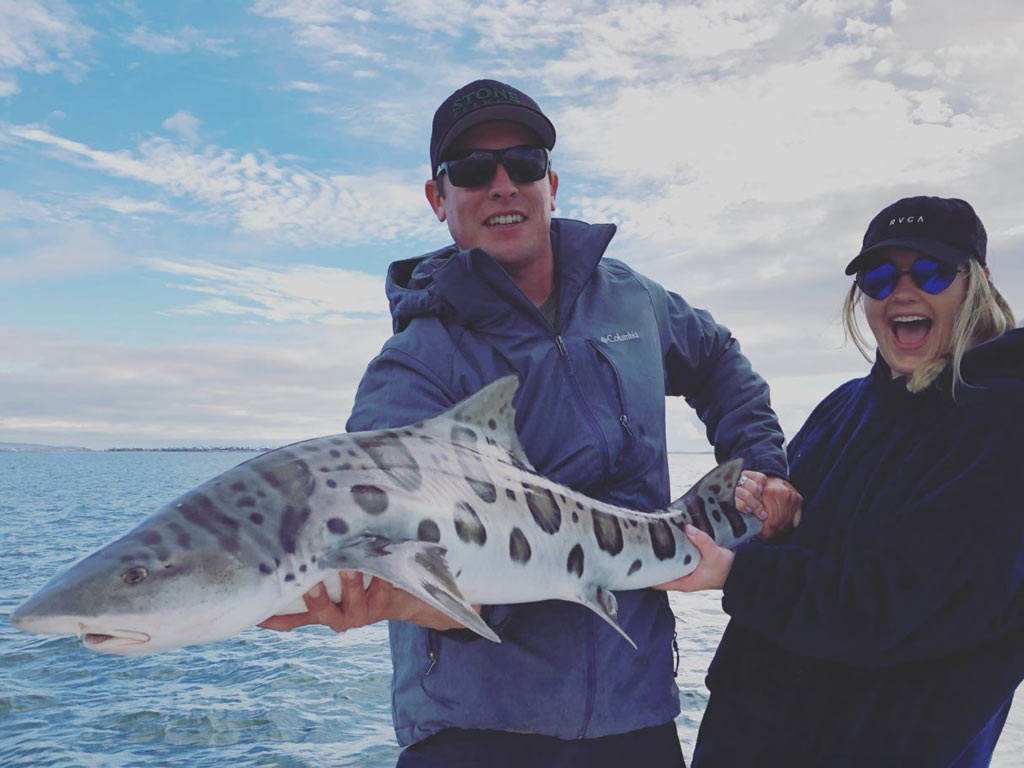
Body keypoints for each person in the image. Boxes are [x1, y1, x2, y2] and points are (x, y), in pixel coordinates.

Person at [261, 79, 801, 767]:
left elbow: (719, 359)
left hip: (634, 711)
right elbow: (386, 532)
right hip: (476, 729)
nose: (502, 186)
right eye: (470, 171)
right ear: (439, 198)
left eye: (521, 164)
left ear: (552, 182)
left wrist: (761, 465)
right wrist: (384, 593)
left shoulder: (633, 302)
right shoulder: (416, 365)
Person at [667, 196, 1023, 767]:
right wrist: (765, 520)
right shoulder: (844, 406)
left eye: (930, 271)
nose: (902, 292)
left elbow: (904, 604)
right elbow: (804, 542)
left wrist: (736, 573)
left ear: (975, 282)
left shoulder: (1004, 418)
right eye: (880, 278)